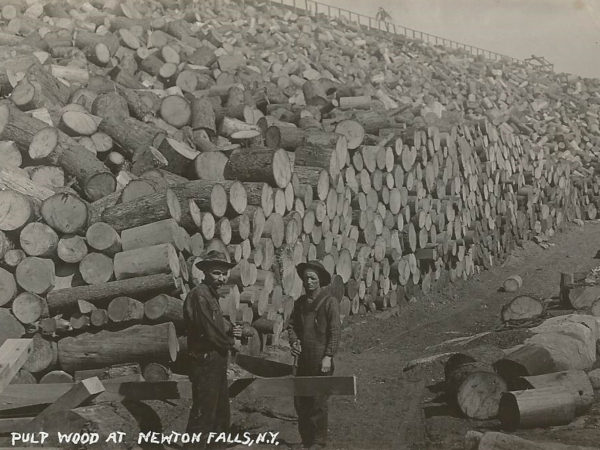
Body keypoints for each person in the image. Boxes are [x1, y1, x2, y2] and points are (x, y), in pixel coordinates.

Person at [183, 249, 242, 449]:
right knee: (204, 409)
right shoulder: (199, 295)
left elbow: (217, 324)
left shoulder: (211, 295)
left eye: (224, 274)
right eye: (217, 273)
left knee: (220, 407)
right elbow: (209, 330)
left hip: (216, 359)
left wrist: (232, 329)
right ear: (205, 272)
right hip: (203, 360)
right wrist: (231, 343)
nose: (221, 278)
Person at [287, 261, 341, 450]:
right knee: (301, 401)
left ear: (320, 281)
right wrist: (294, 342)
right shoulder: (300, 303)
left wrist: (328, 356)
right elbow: (291, 326)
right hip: (303, 360)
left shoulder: (329, 302)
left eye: (313, 278)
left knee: (318, 403)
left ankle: (318, 442)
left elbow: (335, 332)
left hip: (321, 361)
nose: (308, 281)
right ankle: (306, 440)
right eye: (306, 278)